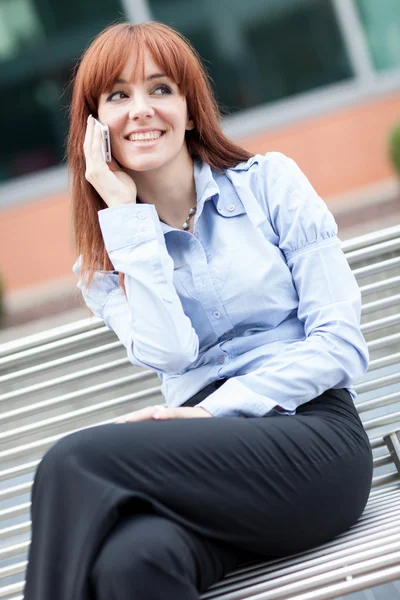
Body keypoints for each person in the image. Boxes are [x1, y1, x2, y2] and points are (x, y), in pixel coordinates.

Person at [24, 21, 373, 600]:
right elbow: (174, 353)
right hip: (207, 480)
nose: (141, 110)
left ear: (190, 110)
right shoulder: (103, 268)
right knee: (131, 565)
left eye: (161, 89)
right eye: (117, 96)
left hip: (312, 445)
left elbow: (341, 343)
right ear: (92, 129)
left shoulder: (270, 186)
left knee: (71, 461)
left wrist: (217, 413)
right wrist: (127, 221)